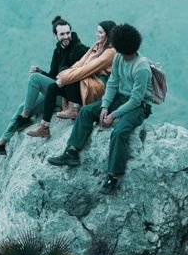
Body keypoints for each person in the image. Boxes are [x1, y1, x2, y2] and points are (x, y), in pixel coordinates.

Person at [47, 23, 153, 194]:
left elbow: (135, 100)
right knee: (86, 111)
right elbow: (112, 83)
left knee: (119, 131)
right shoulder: (119, 58)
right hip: (119, 98)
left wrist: (113, 115)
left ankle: (113, 177)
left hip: (139, 106)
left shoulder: (141, 68)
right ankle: (72, 151)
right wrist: (104, 106)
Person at [0, 16, 89, 155]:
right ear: (55, 36)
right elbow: (54, 76)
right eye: (62, 34)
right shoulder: (58, 51)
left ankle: (24, 118)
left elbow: (88, 67)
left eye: (68, 33)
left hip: (70, 98)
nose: (66, 36)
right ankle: (1, 143)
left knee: (34, 79)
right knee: (22, 105)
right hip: (56, 93)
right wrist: (41, 72)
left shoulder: (79, 48)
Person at [26, 20, 116, 138]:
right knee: (53, 87)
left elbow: (88, 69)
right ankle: (45, 126)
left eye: (100, 32)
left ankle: (74, 108)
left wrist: (66, 77)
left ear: (108, 35)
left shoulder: (110, 52)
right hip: (87, 80)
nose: (96, 34)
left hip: (98, 84)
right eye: (97, 31)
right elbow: (81, 63)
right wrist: (64, 73)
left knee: (71, 77)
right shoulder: (97, 46)